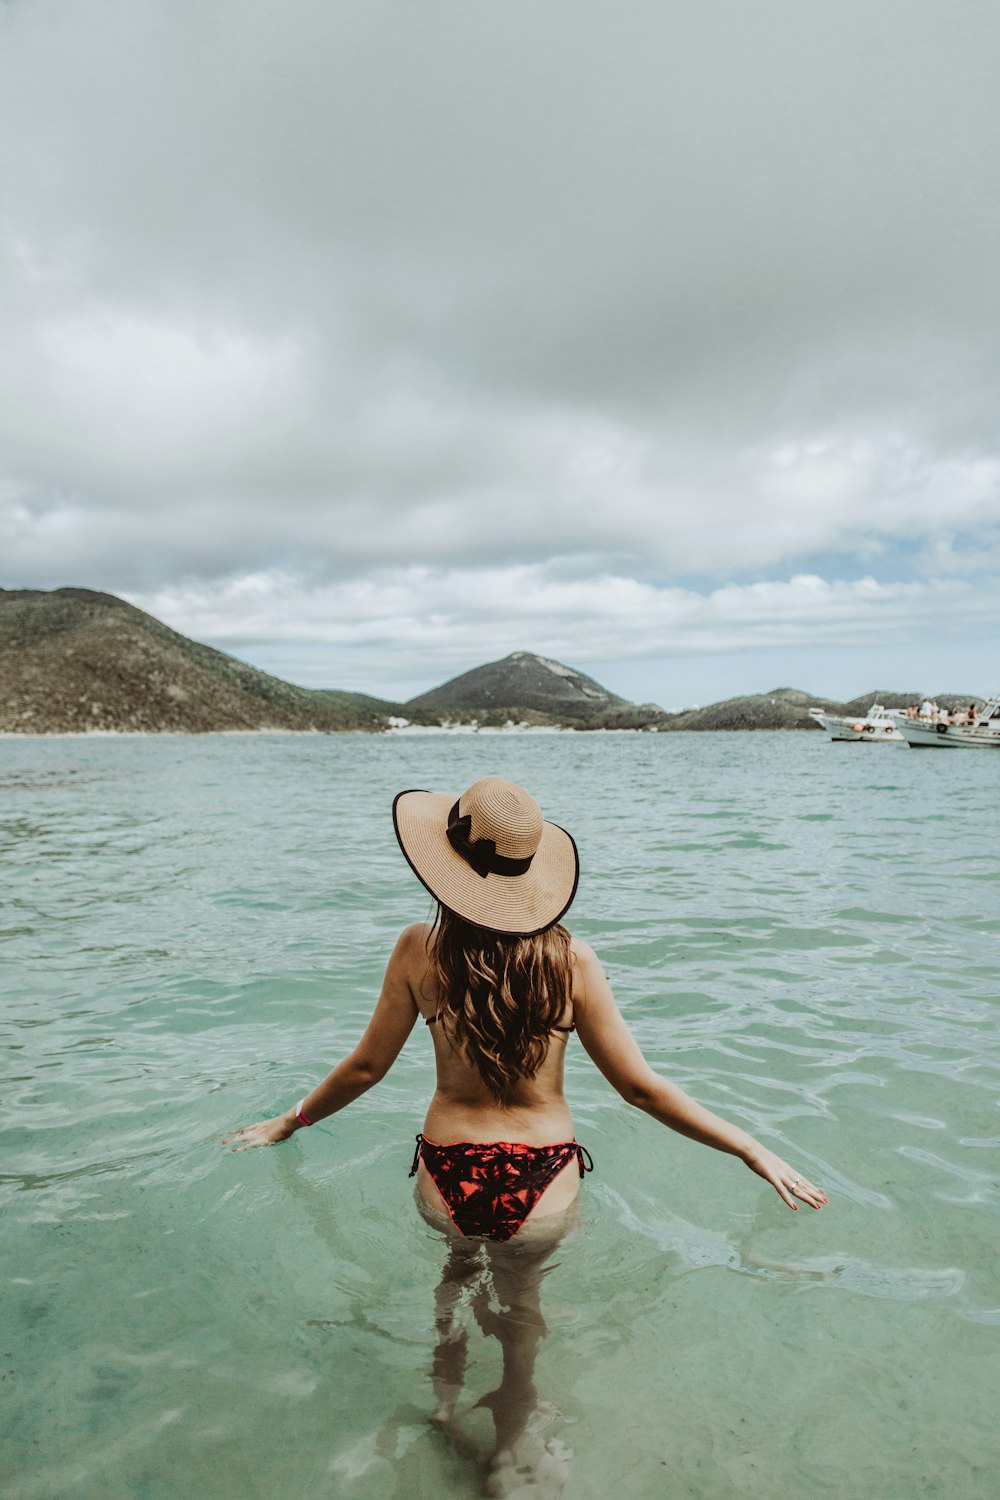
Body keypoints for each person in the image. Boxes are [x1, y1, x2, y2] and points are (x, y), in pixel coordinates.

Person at [224, 777, 827, 1489]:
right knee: (524, 1311)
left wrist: (289, 1123)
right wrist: (751, 1147)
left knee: (452, 1282)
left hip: (447, 1177)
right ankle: (511, 1447)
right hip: (542, 1188)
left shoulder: (419, 949)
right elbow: (641, 1088)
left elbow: (362, 1070)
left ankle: (445, 1409)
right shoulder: (573, 961)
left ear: (446, 869)